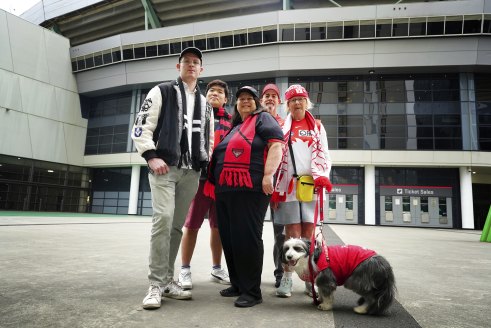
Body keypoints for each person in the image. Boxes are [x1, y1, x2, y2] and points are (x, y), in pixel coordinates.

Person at [131, 47, 214, 310]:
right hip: (164, 168)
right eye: (186, 61)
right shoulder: (162, 91)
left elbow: (208, 138)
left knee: (177, 226)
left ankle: (168, 280)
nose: (191, 65)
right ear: (177, 66)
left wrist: (204, 162)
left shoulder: (206, 103)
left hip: (191, 172)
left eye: (196, 62)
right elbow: (141, 126)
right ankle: (155, 283)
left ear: (201, 69)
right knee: (163, 219)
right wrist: (150, 155)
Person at [205, 86, 284, 307]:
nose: (245, 101)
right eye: (241, 99)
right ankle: (238, 283)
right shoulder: (235, 127)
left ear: (256, 103)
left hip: (250, 189)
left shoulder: (263, 118)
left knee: (247, 238)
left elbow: (276, 145)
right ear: (236, 105)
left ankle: (252, 291)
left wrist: (268, 175)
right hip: (225, 190)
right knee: (230, 238)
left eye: (250, 98)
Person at [271, 84, 333, 298]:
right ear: (287, 105)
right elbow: (276, 155)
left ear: (307, 102)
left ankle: (310, 279)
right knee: (291, 235)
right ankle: (286, 280)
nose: (297, 103)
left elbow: (324, 153)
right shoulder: (281, 127)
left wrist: (323, 176)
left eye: (301, 99)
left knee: (308, 236)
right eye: (293, 100)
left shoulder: (316, 126)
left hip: (311, 186)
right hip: (287, 186)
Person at [178, 80, 232, 289]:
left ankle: (217, 268)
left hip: (222, 183)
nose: (215, 94)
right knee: (191, 225)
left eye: (220, 92)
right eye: (211, 91)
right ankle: (184, 269)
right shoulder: (194, 116)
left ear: (226, 99)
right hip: (198, 179)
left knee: (218, 227)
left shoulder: (233, 121)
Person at [260, 83, 285, 288]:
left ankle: (280, 274)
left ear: (279, 101)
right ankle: (250, 275)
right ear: (261, 101)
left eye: (273, 96)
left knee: (281, 234)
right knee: (253, 232)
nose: (269, 99)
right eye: (266, 95)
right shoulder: (256, 121)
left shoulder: (285, 125)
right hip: (257, 185)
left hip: (279, 186)